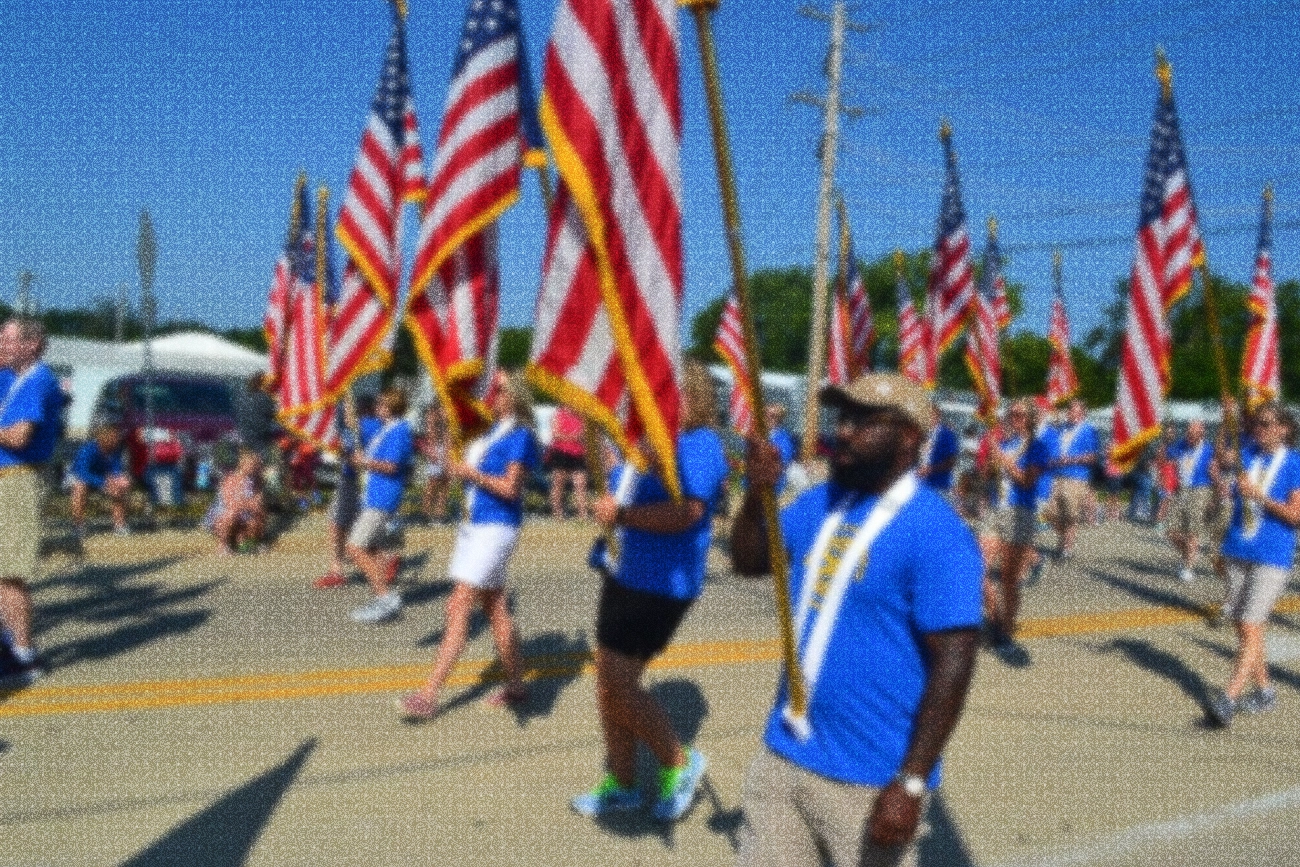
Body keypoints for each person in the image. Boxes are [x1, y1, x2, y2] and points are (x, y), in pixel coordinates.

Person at [729, 372, 982, 867]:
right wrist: (757, 495)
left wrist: (910, 783)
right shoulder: (820, 502)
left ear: (909, 436)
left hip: (870, 783)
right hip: (784, 758)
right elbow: (751, 560)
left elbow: (954, 663)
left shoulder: (937, 532)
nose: (843, 431)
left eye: (865, 421)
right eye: (842, 417)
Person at [570, 361, 729, 823]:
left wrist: (621, 517)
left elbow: (689, 512)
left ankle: (679, 762)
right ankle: (621, 781)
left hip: (660, 584)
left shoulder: (699, 444)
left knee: (618, 685)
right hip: (624, 572)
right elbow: (629, 485)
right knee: (608, 684)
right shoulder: (652, 442)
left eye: (657, 388)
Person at [397, 372, 541, 719]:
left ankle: (429, 694)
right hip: (473, 526)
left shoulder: (521, 435)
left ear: (515, 395)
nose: (493, 393)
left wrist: (471, 474)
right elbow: (465, 472)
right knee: (495, 607)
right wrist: (440, 458)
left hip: (496, 528)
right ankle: (518, 685)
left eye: (500, 388)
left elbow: (511, 489)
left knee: (458, 604)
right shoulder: (490, 432)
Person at [1206, 402, 1300, 726]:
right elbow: (1221, 456)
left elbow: (1296, 516)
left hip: (1272, 554)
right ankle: (1264, 690)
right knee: (1246, 626)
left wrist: (1260, 497)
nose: (1259, 429)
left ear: (1284, 428)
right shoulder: (1249, 453)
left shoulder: (1294, 463)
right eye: (1257, 424)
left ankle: (1228, 698)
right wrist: (1226, 419)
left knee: (1249, 624)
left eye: (1267, 424)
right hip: (1238, 547)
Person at [0, 318, 65, 686]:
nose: (2, 346)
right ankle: (11, 644)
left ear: (31, 344)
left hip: (19, 481)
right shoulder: (16, 378)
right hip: (8, 480)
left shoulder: (38, 380)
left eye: (8, 341)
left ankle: (25, 655)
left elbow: (20, 436)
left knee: (9, 573)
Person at [987, 398, 1049, 663]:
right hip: (996, 511)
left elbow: (1026, 482)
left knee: (1009, 581)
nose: (1014, 418)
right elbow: (992, 477)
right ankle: (996, 620)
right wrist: (991, 463)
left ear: (1031, 419)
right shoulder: (1005, 443)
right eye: (1011, 413)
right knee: (977, 568)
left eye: (1020, 414)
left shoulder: (1038, 447)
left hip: (1020, 514)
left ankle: (1006, 632)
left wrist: (1004, 460)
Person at [346, 387, 414, 624]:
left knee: (355, 547)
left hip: (383, 498)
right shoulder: (384, 429)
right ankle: (380, 597)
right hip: (373, 496)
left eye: (381, 405)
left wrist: (365, 462)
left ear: (391, 407)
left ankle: (387, 598)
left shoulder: (400, 430)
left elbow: (392, 466)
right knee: (372, 550)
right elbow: (354, 424)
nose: (377, 409)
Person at [314, 396, 383, 590]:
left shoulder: (371, 425)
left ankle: (383, 564)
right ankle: (337, 570)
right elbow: (344, 448)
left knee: (364, 526)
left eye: (348, 405)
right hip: (349, 477)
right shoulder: (347, 426)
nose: (344, 409)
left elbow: (365, 453)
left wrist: (353, 434)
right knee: (337, 521)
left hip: (366, 480)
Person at [1045, 398, 1099, 560]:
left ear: (1082, 413)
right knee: (1049, 513)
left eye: (1073, 410)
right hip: (1056, 475)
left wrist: (1072, 460)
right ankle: (1064, 539)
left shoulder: (1089, 430)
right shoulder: (1061, 428)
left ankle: (1066, 549)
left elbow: (1093, 457)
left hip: (1076, 477)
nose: (1069, 413)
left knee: (1070, 514)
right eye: (1069, 410)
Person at [1165, 419, 1215, 583]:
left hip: (1201, 489)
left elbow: (1216, 473)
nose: (1190, 436)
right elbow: (1166, 456)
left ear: (1202, 434)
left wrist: (1213, 498)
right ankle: (1190, 552)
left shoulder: (1210, 450)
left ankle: (1187, 567)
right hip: (1182, 490)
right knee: (1170, 530)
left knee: (1193, 532)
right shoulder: (1181, 445)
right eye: (1188, 432)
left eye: (1194, 433)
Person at [70, 422, 132, 538]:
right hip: (77, 478)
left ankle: (120, 525)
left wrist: (120, 480)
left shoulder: (115, 450)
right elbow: (82, 473)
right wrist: (104, 483)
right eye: (115, 435)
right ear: (105, 436)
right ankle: (78, 526)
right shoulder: (87, 449)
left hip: (101, 479)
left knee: (120, 485)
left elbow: (116, 469)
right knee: (80, 486)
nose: (118, 438)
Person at [206, 448, 267, 555]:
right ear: (241, 463)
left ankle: (249, 544)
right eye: (250, 463)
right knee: (232, 513)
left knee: (259, 515)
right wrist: (248, 504)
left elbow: (258, 504)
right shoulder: (230, 479)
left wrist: (248, 504)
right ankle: (223, 545)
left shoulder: (256, 483)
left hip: (243, 516)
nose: (253, 467)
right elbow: (231, 504)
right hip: (223, 516)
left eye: (255, 464)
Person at [546, 404, 589, 520]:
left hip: (578, 453)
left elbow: (584, 434)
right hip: (560, 452)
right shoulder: (558, 414)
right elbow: (555, 435)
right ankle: (557, 514)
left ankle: (582, 515)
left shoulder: (581, 415)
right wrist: (573, 437)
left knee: (580, 484)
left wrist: (569, 436)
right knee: (558, 483)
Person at [916, 401, 960, 499]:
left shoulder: (947, 434)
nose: (926, 418)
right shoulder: (924, 433)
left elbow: (952, 461)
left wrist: (930, 469)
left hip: (939, 486)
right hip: (921, 484)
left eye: (930, 415)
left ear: (937, 417)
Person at [417, 404, 450, 524]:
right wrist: (430, 452)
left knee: (445, 482)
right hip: (435, 451)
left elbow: (448, 438)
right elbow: (430, 437)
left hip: (444, 451)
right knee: (433, 482)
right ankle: (424, 513)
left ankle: (439, 514)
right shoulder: (432, 417)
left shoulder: (444, 421)